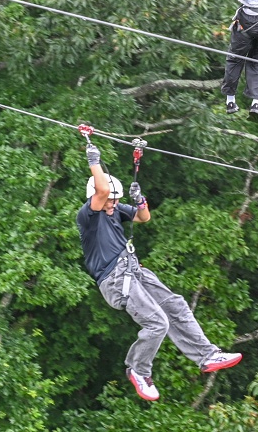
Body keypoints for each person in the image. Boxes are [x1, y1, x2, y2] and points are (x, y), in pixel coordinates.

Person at [76, 143, 242, 401]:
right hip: (116, 279)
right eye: (110, 199)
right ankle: (139, 371)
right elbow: (103, 189)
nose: (114, 203)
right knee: (157, 323)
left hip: (135, 271)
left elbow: (144, 217)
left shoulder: (115, 209)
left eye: (117, 200)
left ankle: (207, 355)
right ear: (95, 198)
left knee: (176, 306)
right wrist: (93, 160)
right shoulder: (89, 216)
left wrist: (139, 198)